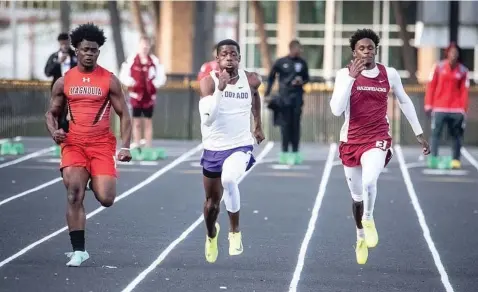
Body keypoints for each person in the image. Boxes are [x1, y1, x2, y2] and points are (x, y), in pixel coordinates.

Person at [330, 28, 430, 265]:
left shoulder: (389, 73)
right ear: (354, 52)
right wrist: (352, 79)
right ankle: (360, 234)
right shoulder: (344, 75)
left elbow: (405, 101)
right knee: (356, 196)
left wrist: (419, 133)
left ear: (376, 50)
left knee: (369, 181)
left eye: (370, 48)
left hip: (378, 137)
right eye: (361, 48)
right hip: (351, 140)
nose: (366, 52)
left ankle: (369, 217)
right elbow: (335, 110)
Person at [45, 23, 132, 267]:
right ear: (77, 49)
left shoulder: (109, 80)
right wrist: (55, 132)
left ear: (98, 52)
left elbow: (124, 114)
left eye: (94, 50)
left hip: (101, 144)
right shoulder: (64, 81)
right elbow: (51, 113)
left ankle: (95, 178)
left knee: (106, 198)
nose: (89, 53)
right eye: (85, 49)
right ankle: (79, 250)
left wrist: (125, 146)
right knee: (74, 193)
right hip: (74, 143)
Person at [198, 39, 265, 263]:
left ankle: (234, 232)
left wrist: (258, 125)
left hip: (240, 144)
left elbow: (255, 97)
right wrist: (221, 89)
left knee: (229, 179)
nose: (229, 58)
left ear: (239, 58)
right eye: (224, 54)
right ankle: (211, 234)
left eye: (233, 54)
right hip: (213, 148)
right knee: (211, 205)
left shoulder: (252, 79)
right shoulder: (208, 83)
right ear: (217, 59)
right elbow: (209, 119)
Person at [424, 42, 469, 169]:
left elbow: (464, 91)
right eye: (451, 52)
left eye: (456, 52)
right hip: (439, 107)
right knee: (435, 134)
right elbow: (431, 86)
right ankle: (434, 158)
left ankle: (456, 159)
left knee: (456, 135)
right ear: (447, 53)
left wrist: (463, 109)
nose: (453, 55)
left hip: (456, 109)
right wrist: (428, 104)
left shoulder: (463, 71)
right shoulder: (438, 67)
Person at [264, 39, 309, 165]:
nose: (299, 51)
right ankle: (284, 153)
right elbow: (271, 77)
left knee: (296, 126)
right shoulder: (281, 62)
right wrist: (267, 93)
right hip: (283, 99)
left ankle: (295, 153)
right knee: (285, 126)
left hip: (297, 99)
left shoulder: (302, 62)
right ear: (292, 49)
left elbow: (307, 78)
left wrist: (302, 81)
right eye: (297, 49)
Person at [119, 35, 166, 148]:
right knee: (136, 121)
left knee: (148, 121)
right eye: (143, 44)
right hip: (136, 96)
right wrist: (132, 83)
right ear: (139, 45)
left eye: (147, 44)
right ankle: (137, 143)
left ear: (149, 46)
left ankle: (148, 145)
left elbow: (161, 77)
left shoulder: (154, 61)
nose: (145, 47)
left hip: (149, 97)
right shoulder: (132, 60)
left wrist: (154, 84)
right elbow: (124, 75)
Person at [44, 32, 78, 133]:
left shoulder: (75, 56)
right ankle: (58, 133)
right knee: (57, 110)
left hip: (73, 89)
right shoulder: (54, 57)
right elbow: (47, 72)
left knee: (71, 113)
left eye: (66, 43)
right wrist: (58, 63)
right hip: (58, 89)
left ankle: (70, 133)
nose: (64, 46)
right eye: (62, 43)